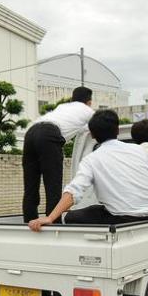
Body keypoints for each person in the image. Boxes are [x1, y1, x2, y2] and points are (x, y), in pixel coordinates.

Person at [28, 110, 148, 231]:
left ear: (93, 135)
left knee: (70, 217)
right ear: (117, 130)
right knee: (97, 210)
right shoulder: (139, 151)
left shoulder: (92, 159)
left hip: (122, 220)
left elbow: (74, 192)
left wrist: (50, 218)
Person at [22, 86, 95, 222]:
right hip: (49, 135)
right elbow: (96, 127)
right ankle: (53, 224)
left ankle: (29, 220)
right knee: (53, 186)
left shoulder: (62, 107)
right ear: (89, 101)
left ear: (73, 98)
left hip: (30, 132)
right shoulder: (88, 111)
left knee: (30, 184)